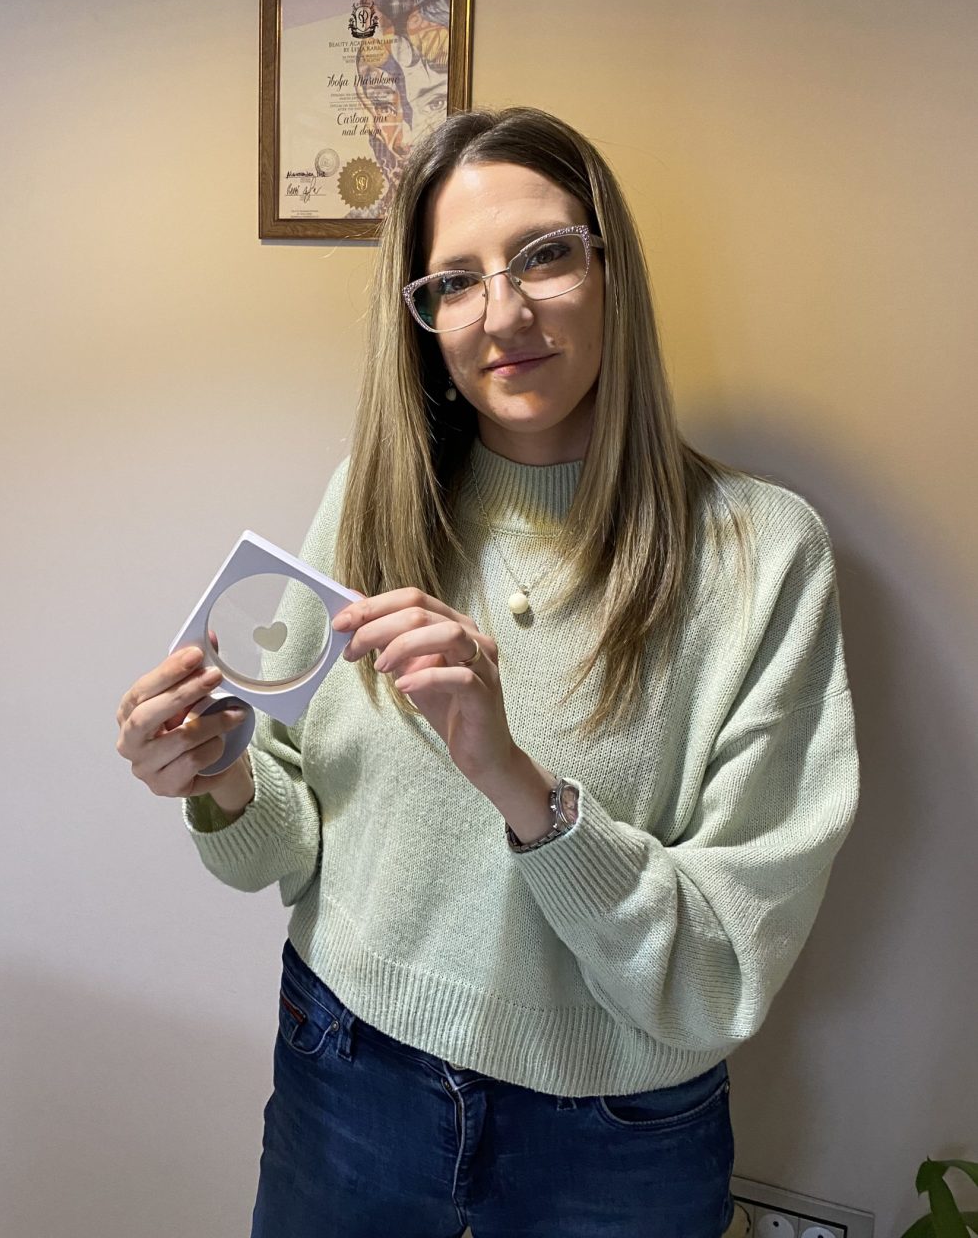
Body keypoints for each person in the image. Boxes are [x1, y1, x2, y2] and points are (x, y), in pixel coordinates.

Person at [115, 107, 860, 1238]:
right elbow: (286, 842)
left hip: (616, 1139)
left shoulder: (762, 555)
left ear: (612, 269)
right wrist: (219, 776)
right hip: (344, 1069)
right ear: (422, 320)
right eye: (454, 282)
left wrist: (515, 779)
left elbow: (719, 971)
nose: (502, 314)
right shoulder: (372, 499)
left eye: (545, 255)